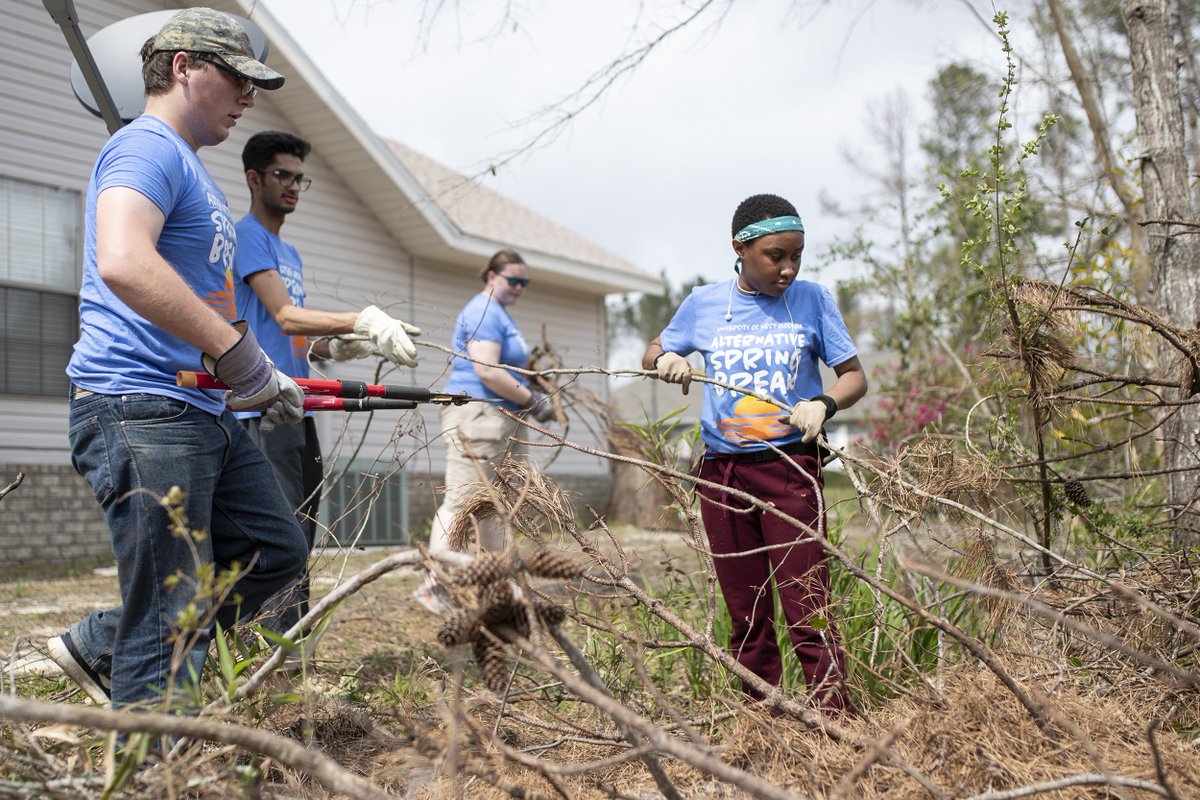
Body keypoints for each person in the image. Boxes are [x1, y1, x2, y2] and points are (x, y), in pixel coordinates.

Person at [47, 8, 310, 709]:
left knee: (276, 553)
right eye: (237, 78)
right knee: (170, 604)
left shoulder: (190, 170)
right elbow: (125, 261)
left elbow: (205, 299)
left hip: (202, 408)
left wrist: (261, 369)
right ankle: (156, 765)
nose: (248, 97)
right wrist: (237, 355)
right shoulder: (147, 149)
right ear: (186, 67)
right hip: (140, 406)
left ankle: (105, 645)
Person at [642, 193, 866, 717]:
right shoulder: (704, 303)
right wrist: (667, 358)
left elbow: (854, 376)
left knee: (809, 607)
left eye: (797, 255)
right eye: (775, 256)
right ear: (739, 248)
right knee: (746, 613)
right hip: (722, 476)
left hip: (789, 470)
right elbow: (652, 350)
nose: (788, 268)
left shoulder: (812, 300)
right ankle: (760, 725)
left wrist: (823, 403)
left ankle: (837, 724)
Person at [232, 130, 421, 635]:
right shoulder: (247, 235)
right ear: (254, 179)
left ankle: (289, 638)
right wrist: (358, 319)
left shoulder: (287, 252)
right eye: (282, 176)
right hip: (262, 409)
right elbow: (287, 317)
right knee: (279, 533)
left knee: (304, 527)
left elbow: (295, 337)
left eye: (300, 178)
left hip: (300, 406)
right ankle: (266, 642)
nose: (293, 186)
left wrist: (336, 347)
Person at [413, 249, 553, 613]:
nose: (520, 287)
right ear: (492, 277)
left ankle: (500, 584)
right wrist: (532, 400)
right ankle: (435, 583)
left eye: (525, 282)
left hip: (498, 417)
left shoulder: (500, 314)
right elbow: (487, 371)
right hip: (479, 417)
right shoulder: (484, 311)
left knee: (495, 506)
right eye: (513, 280)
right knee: (462, 500)